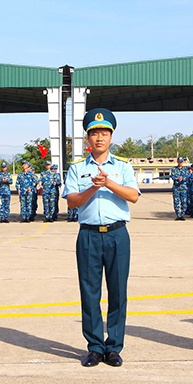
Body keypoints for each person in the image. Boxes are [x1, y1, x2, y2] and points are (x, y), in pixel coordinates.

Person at [63, 108, 140, 367]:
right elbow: (72, 202)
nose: (99, 138)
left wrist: (108, 184)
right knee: (90, 292)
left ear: (111, 136)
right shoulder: (77, 169)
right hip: (89, 236)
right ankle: (95, 346)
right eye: (94, 133)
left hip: (117, 233)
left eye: (104, 133)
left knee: (118, 291)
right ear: (87, 138)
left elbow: (133, 196)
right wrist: (92, 187)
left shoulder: (123, 166)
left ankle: (114, 346)